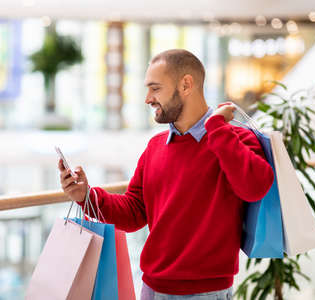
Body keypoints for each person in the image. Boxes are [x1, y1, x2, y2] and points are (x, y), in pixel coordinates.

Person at [58, 49, 274, 300]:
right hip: (152, 289)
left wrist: (216, 127)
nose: (147, 98)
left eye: (155, 88)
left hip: (205, 294)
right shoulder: (155, 147)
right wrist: (86, 196)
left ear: (186, 85)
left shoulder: (234, 139)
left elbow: (255, 187)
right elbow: (134, 213)